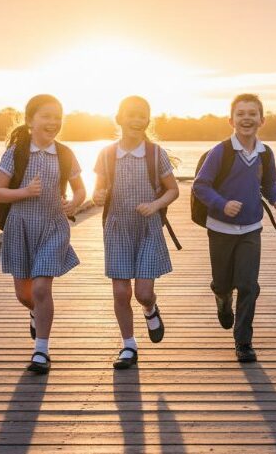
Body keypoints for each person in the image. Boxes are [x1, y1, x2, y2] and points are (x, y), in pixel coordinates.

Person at [0, 94, 85, 374]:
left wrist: (75, 201)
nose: (53, 122)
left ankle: (41, 352)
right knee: (25, 294)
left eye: (57, 117)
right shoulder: (16, 152)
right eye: (46, 116)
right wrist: (24, 192)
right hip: (20, 226)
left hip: (53, 226)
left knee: (43, 288)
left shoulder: (65, 153)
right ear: (30, 120)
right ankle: (35, 312)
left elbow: (80, 189)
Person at [192, 93, 276, 362]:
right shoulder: (220, 151)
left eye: (252, 113)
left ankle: (243, 341)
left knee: (248, 285)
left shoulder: (265, 153)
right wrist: (222, 204)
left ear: (262, 119)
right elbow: (201, 185)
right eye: (241, 114)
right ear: (231, 120)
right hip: (220, 229)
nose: (247, 118)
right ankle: (222, 299)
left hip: (250, 229)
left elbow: (269, 185)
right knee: (223, 282)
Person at [92, 96, 179, 370]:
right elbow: (98, 190)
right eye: (131, 114)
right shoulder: (107, 154)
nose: (137, 119)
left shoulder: (155, 153)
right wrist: (98, 195)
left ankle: (150, 309)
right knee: (120, 292)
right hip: (117, 227)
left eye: (142, 115)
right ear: (118, 118)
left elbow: (173, 190)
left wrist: (155, 205)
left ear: (147, 121)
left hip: (147, 229)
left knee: (142, 292)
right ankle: (128, 345)